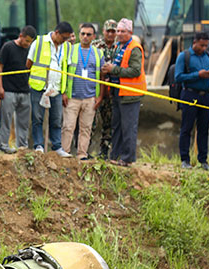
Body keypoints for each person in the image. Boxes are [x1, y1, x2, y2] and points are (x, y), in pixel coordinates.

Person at [101, 18, 146, 167]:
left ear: (130, 32)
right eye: (118, 31)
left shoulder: (134, 48)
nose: (119, 34)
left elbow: (135, 70)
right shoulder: (119, 47)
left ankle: (127, 158)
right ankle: (116, 156)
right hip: (118, 92)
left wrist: (113, 70)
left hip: (130, 94)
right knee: (117, 126)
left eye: (122, 31)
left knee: (128, 127)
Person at [27, 21, 72, 156]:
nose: (64, 41)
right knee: (37, 117)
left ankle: (57, 147)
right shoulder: (39, 42)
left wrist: (64, 91)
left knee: (56, 119)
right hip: (39, 87)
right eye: (63, 38)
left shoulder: (67, 47)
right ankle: (39, 145)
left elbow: (66, 68)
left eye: (67, 39)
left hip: (56, 88)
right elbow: (28, 63)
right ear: (56, 33)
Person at [175, 32, 209, 170]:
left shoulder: (208, 56)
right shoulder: (184, 56)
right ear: (195, 42)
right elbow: (178, 77)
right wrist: (198, 75)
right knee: (187, 127)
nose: (204, 48)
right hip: (189, 94)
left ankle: (203, 160)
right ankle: (185, 159)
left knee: (204, 128)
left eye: (206, 45)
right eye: (201, 45)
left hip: (205, 95)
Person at [62, 23, 103, 160]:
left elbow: (102, 76)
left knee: (86, 128)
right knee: (68, 126)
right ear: (79, 35)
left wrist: (100, 96)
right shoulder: (70, 50)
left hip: (90, 98)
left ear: (94, 37)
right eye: (83, 34)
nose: (85, 37)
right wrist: (64, 92)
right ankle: (65, 153)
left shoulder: (98, 53)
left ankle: (82, 154)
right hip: (72, 97)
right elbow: (64, 72)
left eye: (88, 34)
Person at [0, 25, 36, 152]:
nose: (28, 44)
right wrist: (0, 87)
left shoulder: (30, 50)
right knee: (6, 120)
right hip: (9, 90)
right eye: (27, 41)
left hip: (24, 91)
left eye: (30, 42)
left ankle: (22, 146)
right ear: (21, 36)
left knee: (24, 122)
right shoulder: (8, 47)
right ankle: (3, 145)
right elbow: (0, 67)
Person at [91, 19, 117, 159]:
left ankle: (104, 152)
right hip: (95, 88)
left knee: (109, 123)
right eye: (108, 31)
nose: (111, 34)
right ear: (103, 31)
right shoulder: (95, 45)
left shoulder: (119, 48)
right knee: (91, 122)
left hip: (111, 91)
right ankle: (84, 151)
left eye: (113, 31)